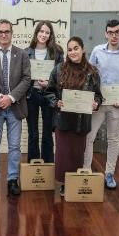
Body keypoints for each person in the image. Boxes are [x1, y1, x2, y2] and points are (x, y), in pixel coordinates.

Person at [83, 20, 119, 189]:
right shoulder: (98, 51)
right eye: (110, 32)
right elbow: (89, 75)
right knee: (89, 137)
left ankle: (109, 174)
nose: (114, 35)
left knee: (113, 139)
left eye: (117, 32)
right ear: (106, 34)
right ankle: (86, 171)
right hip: (98, 103)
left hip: (118, 104)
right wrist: (91, 98)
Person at [46, 36, 103, 196]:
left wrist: (95, 104)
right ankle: (65, 184)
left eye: (76, 48)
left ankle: (74, 182)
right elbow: (49, 91)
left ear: (83, 49)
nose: (72, 52)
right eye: (70, 49)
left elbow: (98, 96)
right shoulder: (58, 69)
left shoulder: (92, 72)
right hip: (62, 120)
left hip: (81, 121)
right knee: (63, 154)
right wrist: (56, 102)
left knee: (77, 154)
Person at [0, 19, 31, 196]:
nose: (3, 34)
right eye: (0, 32)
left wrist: (10, 97)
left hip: (15, 107)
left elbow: (26, 79)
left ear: (11, 33)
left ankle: (12, 180)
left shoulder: (22, 54)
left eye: (7, 31)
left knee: (15, 146)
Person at [25, 21, 64, 163]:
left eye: (47, 32)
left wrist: (49, 83)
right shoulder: (26, 52)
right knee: (33, 134)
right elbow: (23, 75)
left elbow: (62, 75)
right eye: (41, 31)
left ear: (50, 35)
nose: (43, 35)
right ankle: (33, 166)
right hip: (31, 94)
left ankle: (47, 167)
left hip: (49, 95)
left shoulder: (57, 52)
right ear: (36, 33)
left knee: (47, 133)